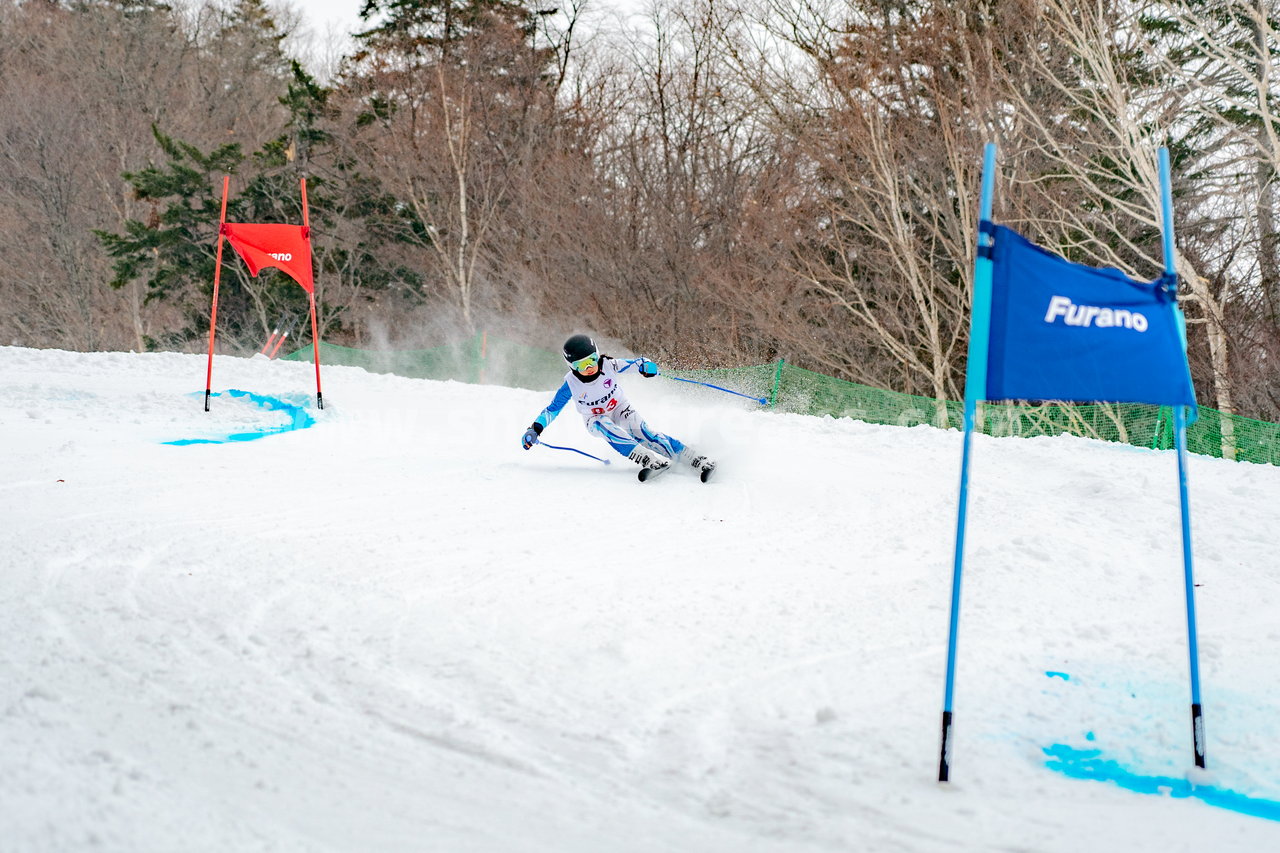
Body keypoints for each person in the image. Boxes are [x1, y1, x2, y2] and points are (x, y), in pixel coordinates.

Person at [520, 334, 716, 480]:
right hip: (594, 419)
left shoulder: (609, 365)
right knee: (605, 426)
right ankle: (646, 459)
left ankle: (692, 458)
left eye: (591, 361)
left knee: (646, 434)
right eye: (581, 365)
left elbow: (638, 363)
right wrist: (535, 429)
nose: (589, 368)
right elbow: (552, 410)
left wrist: (646, 367)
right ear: (572, 367)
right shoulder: (570, 384)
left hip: (620, 408)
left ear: (597, 356)